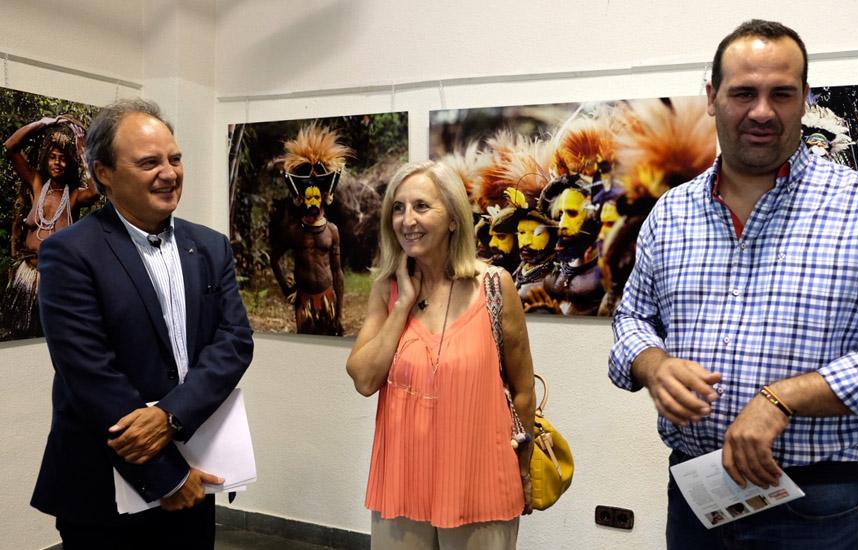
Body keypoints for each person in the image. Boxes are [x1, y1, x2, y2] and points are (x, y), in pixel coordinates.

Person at [608, 20, 858, 549]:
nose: (762, 111)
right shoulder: (671, 213)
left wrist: (782, 399)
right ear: (712, 98)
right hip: (696, 497)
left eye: (781, 94)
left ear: (805, 99)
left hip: (819, 509)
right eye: (743, 92)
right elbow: (633, 318)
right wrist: (651, 364)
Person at [31, 98, 254, 549]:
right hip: (104, 493)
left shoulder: (210, 247)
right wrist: (167, 478)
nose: (169, 173)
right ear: (104, 174)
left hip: (195, 478)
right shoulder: (71, 253)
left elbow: (234, 341)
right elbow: (90, 376)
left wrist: (170, 417)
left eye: (174, 158)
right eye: (150, 162)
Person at [347, 160, 535, 549]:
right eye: (398, 208)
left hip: (480, 485)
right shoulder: (388, 291)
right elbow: (364, 379)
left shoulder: (495, 287)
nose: (407, 219)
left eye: (421, 206)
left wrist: (523, 465)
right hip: (401, 486)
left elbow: (522, 390)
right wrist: (403, 306)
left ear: (452, 219)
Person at [2, 116, 99, 337]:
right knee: (20, 333)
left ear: (69, 163)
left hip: (57, 278)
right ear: (46, 159)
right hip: (27, 275)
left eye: (63, 158)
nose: (57, 162)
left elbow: (95, 190)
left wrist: (83, 147)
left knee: (55, 335)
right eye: (53, 157)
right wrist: (46, 122)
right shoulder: (37, 184)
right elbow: (11, 146)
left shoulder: (73, 197)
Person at [269, 124, 350, 336]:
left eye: (317, 197)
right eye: (308, 197)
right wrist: (286, 289)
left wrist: (339, 315)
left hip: (327, 298)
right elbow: (274, 258)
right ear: (300, 198)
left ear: (326, 197)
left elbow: (337, 272)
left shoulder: (332, 231)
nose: (312, 203)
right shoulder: (294, 231)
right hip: (303, 301)